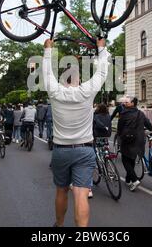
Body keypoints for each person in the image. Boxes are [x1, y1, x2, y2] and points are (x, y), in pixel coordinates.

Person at [42, 37, 109, 227]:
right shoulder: (87, 91)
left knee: (62, 191)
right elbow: (103, 71)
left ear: (62, 80)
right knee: (81, 194)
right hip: (84, 150)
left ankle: (59, 224)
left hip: (61, 150)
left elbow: (46, 73)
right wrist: (101, 48)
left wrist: (48, 50)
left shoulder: (54, 92)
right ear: (78, 78)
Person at [117, 96, 152, 191]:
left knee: (125, 160)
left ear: (133, 103)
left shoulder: (124, 114)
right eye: (124, 102)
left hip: (128, 139)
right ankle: (128, 180)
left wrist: (120, 136)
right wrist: (148, 129)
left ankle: (135, 179)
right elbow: (149, 126)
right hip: (139, 140)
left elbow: (119, 127)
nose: (124, 104)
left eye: (127, 102)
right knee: (131, 158)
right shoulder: (140, 113)